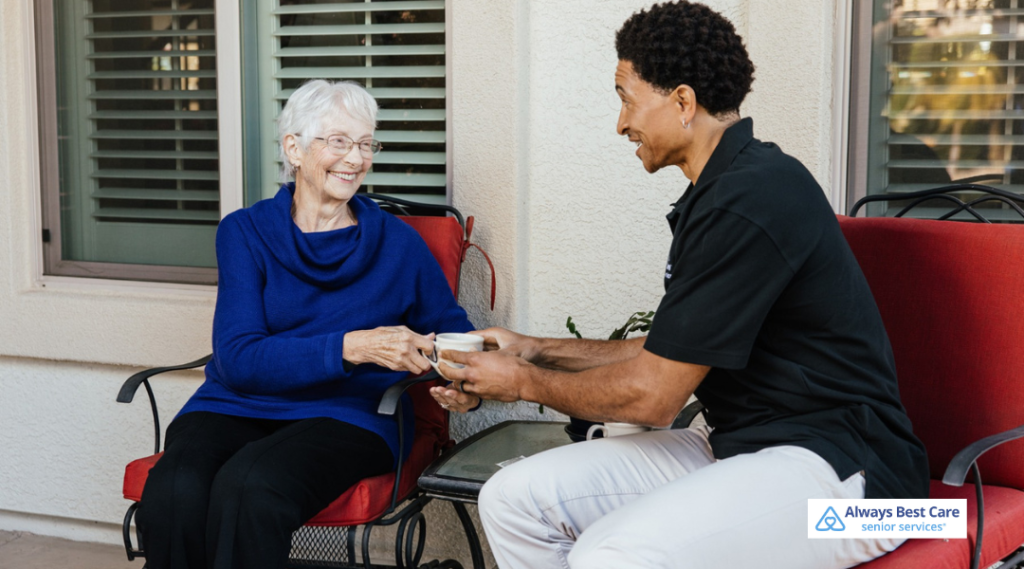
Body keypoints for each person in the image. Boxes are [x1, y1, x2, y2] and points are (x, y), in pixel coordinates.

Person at [429, 2, 929, 568]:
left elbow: (653, 395)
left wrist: (520, 379)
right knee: (513, 499)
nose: (620, 124)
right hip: (742, 447)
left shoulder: (755, 197)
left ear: (683, 102)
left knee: (609, 555)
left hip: (860, 483)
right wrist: (533, 348)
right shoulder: (722, 192)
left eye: (625, 99)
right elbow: (668, 355)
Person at [137, 79, 478, 569]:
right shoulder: (245, 232)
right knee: (175, 488)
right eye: (338, 141)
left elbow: (450, 334)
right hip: (235, 403)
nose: (356, 159)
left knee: (252, 484)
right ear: (293, 148)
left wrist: (465, 383)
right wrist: (351, 346)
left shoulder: (398, 244)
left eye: (366, 144)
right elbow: (237, 359)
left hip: (350, 415)